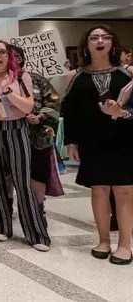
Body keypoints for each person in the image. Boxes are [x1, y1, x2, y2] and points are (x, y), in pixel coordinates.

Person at [0, 41, 51, 252]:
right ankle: (2, 226)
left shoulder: (21, 77)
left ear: (9, 56)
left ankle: (36, 233)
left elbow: (28, 106)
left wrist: (8, 93)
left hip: (17, 129)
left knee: (22, 181)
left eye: (3, 52)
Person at [62, 25, 133, 265]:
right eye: (94, 37)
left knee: (124, 191)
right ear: (87, 44)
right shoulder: (76, 76)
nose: (100, 41)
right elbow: (70, 111)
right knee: (99, 190)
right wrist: (71, 141)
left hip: (125, 138)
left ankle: (125, 245)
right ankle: (103, 240)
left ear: (113, 42)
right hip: (92, 140)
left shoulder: (127, 73)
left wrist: (121, 112)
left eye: (105, 37)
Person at [10, 45, 61, 208]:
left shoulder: (37, 79)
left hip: (37, 136)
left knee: (38, 173)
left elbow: (53, 101)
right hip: (9, 135)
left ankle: (38, 210)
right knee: (7, 173)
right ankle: (7, 208)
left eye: (8, 55)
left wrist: (40, 117)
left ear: (19, 59)